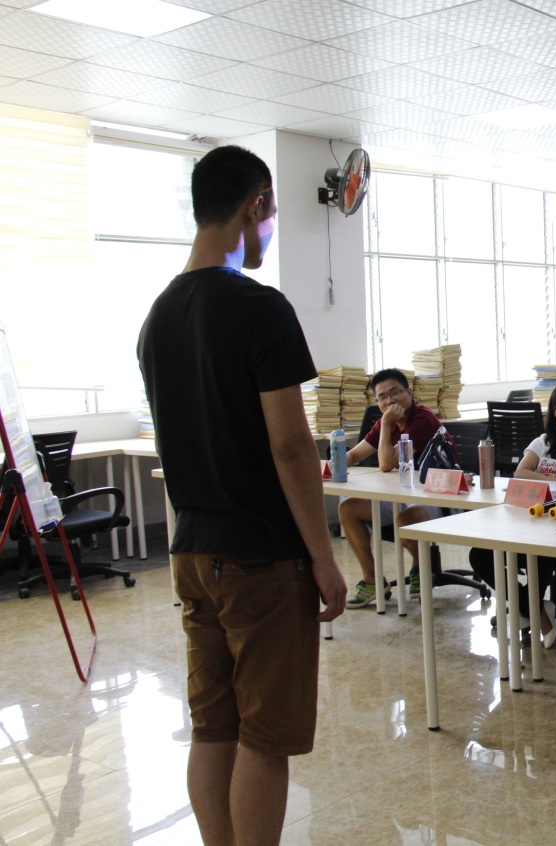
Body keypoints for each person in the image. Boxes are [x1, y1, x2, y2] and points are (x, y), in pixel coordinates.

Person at [137, 144, 347, 846]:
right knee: (264, 736)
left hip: (192, 552)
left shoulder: (157, 317)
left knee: (213, 726)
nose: (272, 228)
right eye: (274, 212)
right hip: (260, 557)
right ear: (255, 206)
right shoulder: (260, 307)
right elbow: (290, 447)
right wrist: (323, 557)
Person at [469, 380, 556, 649]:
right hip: (534, 520)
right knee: (479, 554)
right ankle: (535, 611)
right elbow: (521, 472)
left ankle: (529, 612)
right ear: (554, 412)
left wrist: (554, 478)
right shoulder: (542, 442)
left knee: (541, 551)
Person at [339, 367, 445, 609]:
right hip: (402, 495)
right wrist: (328, 467)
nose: (390, 401)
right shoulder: (385, 423)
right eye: (382, 397)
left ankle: (421, 568)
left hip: (436, 496)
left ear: (409, 392)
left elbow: (386, 464)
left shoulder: (422, 420)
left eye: (395, 392)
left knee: (405, 520)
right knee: (348, 508)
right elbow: (355, 455)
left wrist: (386, 424)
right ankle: (372, 580)